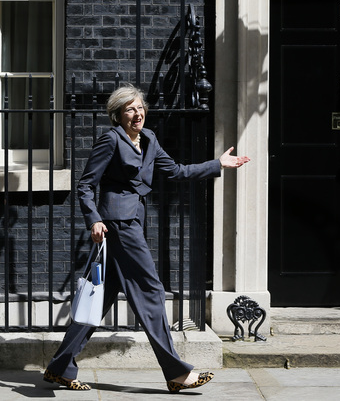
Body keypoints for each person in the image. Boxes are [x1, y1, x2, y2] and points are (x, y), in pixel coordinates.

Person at [43, 84, 250, 392]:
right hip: (117, 223)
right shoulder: (110, 141)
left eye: (140, 107)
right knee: (151, 290)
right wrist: (94, 219)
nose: (137, 113)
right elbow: (85, 185)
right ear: (117, 115)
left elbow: (177, 171)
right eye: (130, 109)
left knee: (99, 296)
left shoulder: (149, 139)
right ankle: (176, 372)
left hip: (133, 221)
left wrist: (217, 164)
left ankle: (59, 368)